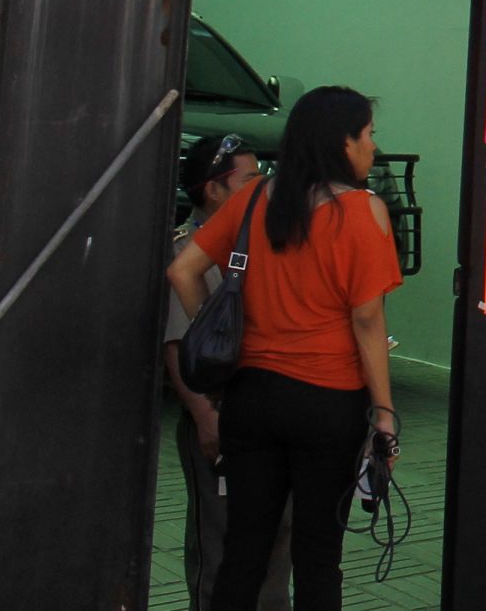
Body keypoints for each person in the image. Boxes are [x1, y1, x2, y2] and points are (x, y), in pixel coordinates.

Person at [168, 87, 403, 611]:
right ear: (342, 143)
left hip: (250, 395)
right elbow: (367, 319)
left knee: (244, 549)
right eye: (368, 134)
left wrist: (221, 334)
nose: (372, 146)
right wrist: (384, 412)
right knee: (318, 557)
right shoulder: (362, 211)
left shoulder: (254, 197)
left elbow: (182, 271)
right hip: (327, 401)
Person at [166, 133, 290, 611]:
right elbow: (178, 345)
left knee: (278, 533)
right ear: (214, 189)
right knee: (221, 536)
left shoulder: (261, 242)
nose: (262, 187)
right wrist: (206, 418)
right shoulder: (188, 252)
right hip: (219, 418)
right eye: (250, 178)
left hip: (263, 414)